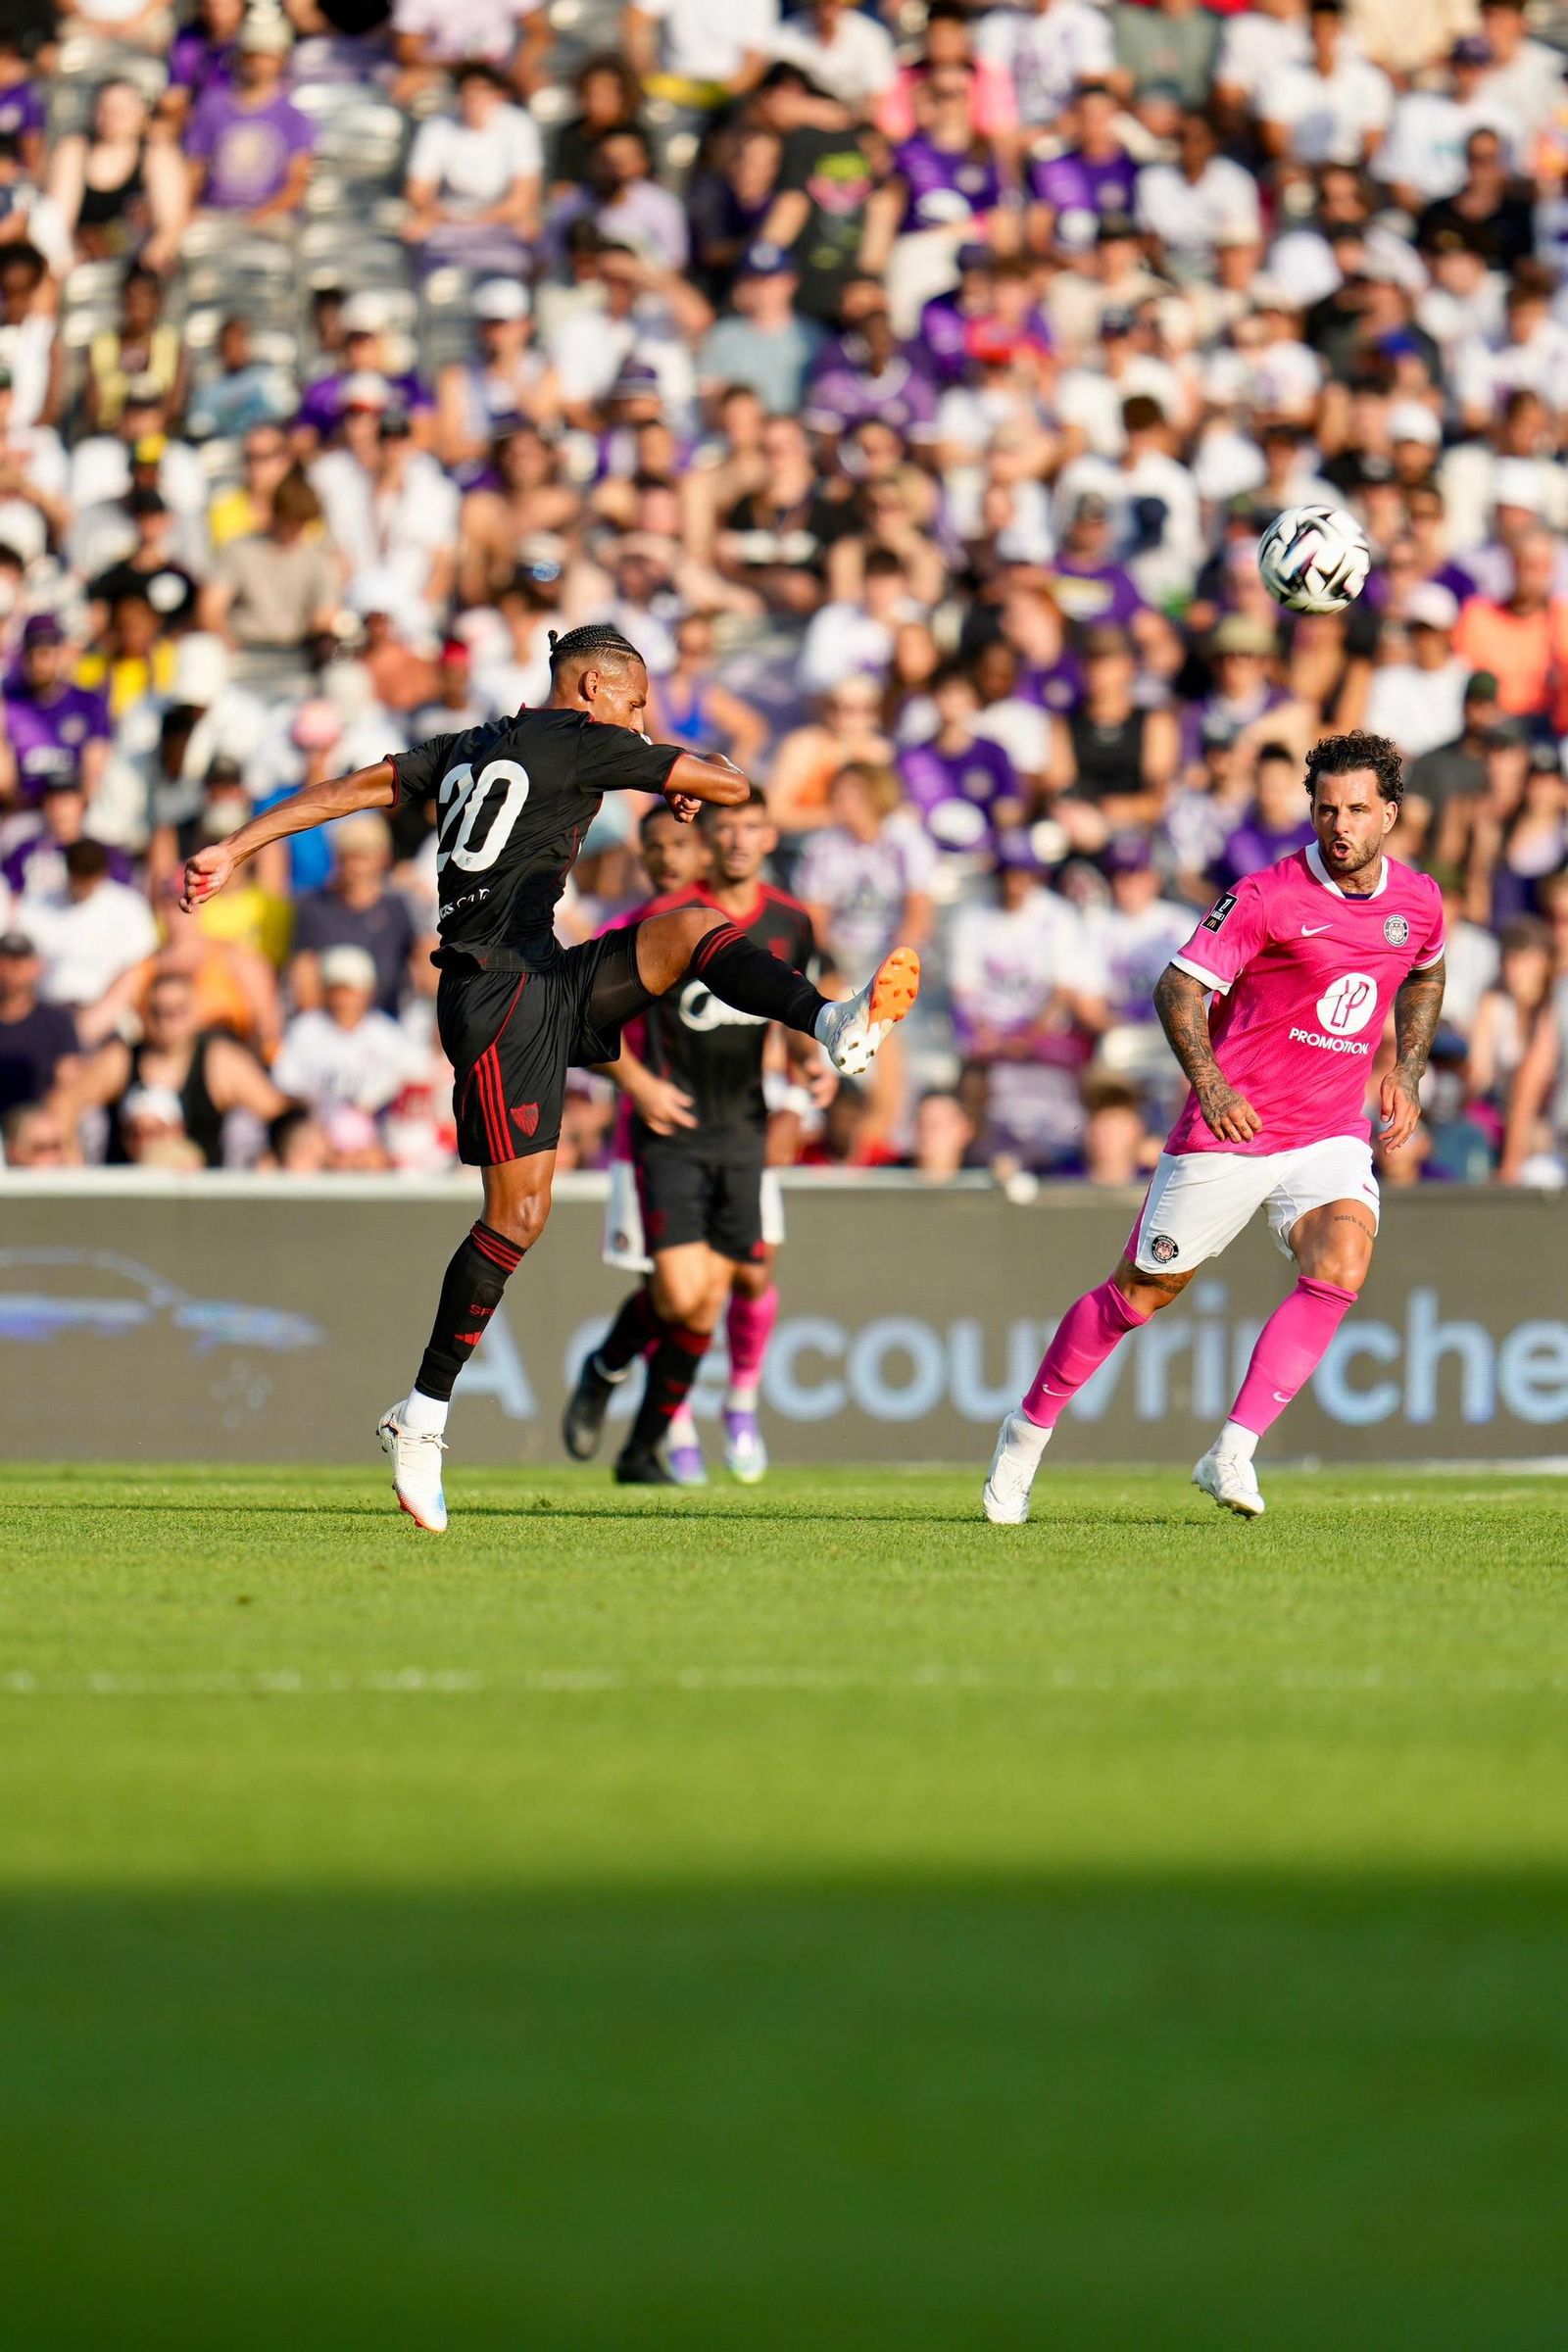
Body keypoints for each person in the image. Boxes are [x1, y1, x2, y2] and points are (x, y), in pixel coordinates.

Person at [181, 622, 922, 1530]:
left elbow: (345, 792)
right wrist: (669, 769)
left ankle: (830, 1019)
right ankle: (421, 1418)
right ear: (590, 691)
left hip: (542, 974)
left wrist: (237, 847)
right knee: (517, 1217)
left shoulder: (465, 746)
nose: (640, 718)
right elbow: (731, 784)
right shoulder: (583, 740)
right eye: (633, 701)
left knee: (689, 930)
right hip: (495, 998)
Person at [983, 731, 1446, 1525]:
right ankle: (1024, 1435)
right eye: (1327, 809)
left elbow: (1428, 969)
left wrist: (1404, 1069)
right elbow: (1176, 990)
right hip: (1235, 1126)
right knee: (1138, 1295)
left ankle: (1232, 1448)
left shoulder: (1419, 901)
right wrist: (1213, 1084)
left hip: (1328, 1130)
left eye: (1359, 811)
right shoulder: (1267, 896)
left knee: (1343, 1259)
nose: (1341, 826)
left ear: (1390, 817)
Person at [565, 788, 829, 1485]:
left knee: (720, 1292)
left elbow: (795, 1016)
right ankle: (615, 1375)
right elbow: (581, 1020)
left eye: (752, 827)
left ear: (769, 836)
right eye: (726, 828)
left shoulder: (791, 921)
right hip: (670, 1134)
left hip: (743, 1128)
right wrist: (640, 1085)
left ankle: (645, 1446)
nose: (739, 842)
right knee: (683, 1297)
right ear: (707, 839)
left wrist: (807, 1083)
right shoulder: (659, 922)